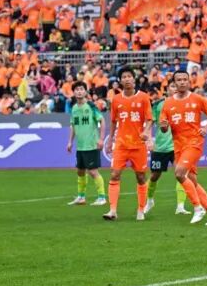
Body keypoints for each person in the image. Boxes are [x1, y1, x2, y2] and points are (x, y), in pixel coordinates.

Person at [159, 70, 207, 226]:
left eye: (185, 79)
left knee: (179, 173)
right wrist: (164, 126)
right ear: (174, 83)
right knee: (192, 181)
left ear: (189, 82)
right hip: (178, 146)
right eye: (179, 80)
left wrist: (206, 128)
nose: (182, 82)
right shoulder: (168, 103)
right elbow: (164, 128)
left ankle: (197, 208)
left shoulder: (197, 99)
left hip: (194, 143)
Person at [102, 67, 153, 221]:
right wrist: (110, 140)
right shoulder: (116, 99)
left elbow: (150, 119)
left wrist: (147, 133)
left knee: (141, 177)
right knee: (114, 174)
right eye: (124, 77)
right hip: (121, 144)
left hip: (138, 144)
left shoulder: (143, 97)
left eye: (129, 76)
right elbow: (113, 121)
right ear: (120, 80)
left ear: (134, 78)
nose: (127, 79)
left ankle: (141, 209)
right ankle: (112, 210)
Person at [146, 81, 189, 215]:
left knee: (181, 174)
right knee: (154, 176)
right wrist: (149, 140)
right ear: (167, 89)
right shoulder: (158, 105)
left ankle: (180, 206)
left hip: (177, 146)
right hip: (160, 147)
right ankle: (149, 201)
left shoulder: (184, 103)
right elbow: (150, 122)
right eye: (172, 86)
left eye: (177, 86)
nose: (175, 88)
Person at [66, 80, 107, 207]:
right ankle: (81, 197)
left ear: (85, 91)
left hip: (91, 145)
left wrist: (101, 139)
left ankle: (102, 197)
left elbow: (101, 121)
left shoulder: (91, 106)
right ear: (74, 92)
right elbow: (73, 125)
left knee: (93, 172)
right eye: (76, 89)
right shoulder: (74, 108)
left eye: (81, 89)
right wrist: (70, 141)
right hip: (80, 146)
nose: (79, 92)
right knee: (80, 171)